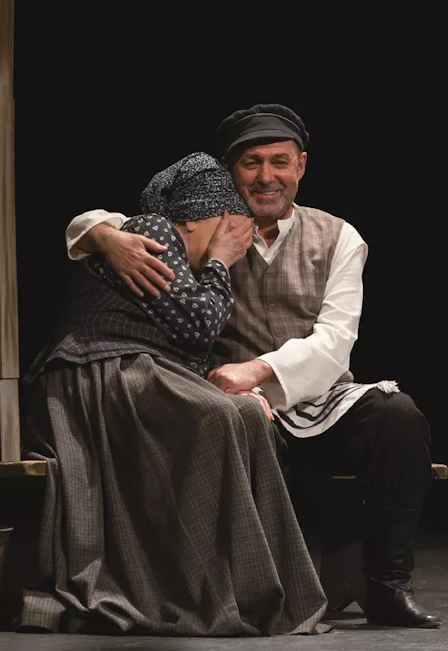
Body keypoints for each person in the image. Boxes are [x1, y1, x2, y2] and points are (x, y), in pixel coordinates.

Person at [65, 105, 441, 629]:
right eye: (251, 163)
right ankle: (269, 584)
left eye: (280, 162)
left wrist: (260, 370)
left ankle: (387, 584)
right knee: (243, 424)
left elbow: (336, 340)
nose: (267, 176)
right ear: (229, 170)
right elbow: (91, 223)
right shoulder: (205, 223)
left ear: (301, 165)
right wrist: (107, 236)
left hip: (313, 395)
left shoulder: (338, 236)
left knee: (399, 417)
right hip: (228, 397)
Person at [19, 153, 329, 636]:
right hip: (100, 371)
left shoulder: (185, 261)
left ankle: (251, 589)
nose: (237, 238)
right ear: (197, 219)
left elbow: (184, 342)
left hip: (143, 371)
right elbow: (198, 326)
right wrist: (220, 260)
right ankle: (194, 590)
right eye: (230, 225)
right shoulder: (153, 232)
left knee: (247, 415)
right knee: (217, 415)